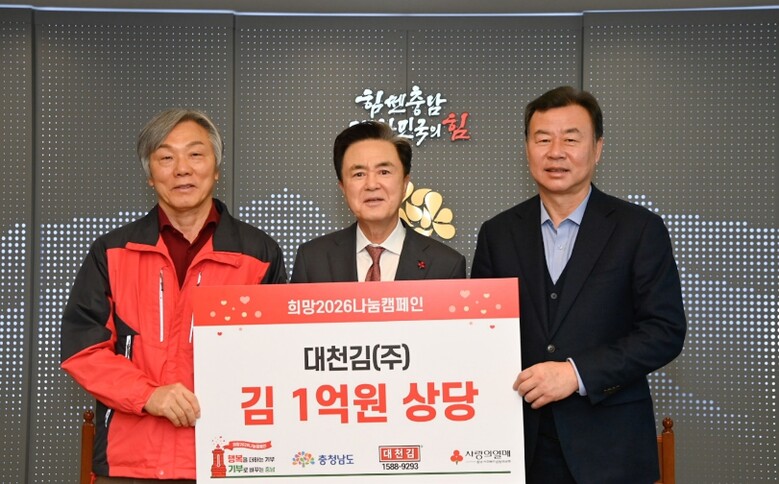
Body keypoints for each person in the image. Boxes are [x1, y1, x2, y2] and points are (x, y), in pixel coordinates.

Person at [471, 86, 686, 484]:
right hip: (520, 446)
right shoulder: (498, 233)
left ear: (598, 148)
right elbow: (480, 335)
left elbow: (664, 331)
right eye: (543, 139)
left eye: (571, 139)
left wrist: (576, 373)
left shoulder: (639, 229)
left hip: (611, 449)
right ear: (527, 149)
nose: (556, 152)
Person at [60, 109, 287, 482]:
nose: (182, 169)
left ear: (216, 168)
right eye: (166, 157)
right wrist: (149, 395)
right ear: (150, 175)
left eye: (195, 154)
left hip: (229, 458)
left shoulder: (259, 255)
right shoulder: (113, 252)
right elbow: (83, 350)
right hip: (130, 463)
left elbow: (277, 355)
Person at [291, 121, 465, 282]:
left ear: (405, 183)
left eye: (384, 172)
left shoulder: (446, 265)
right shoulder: (312, 260)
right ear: (343, 187)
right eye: (359, 174)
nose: (372, 185)